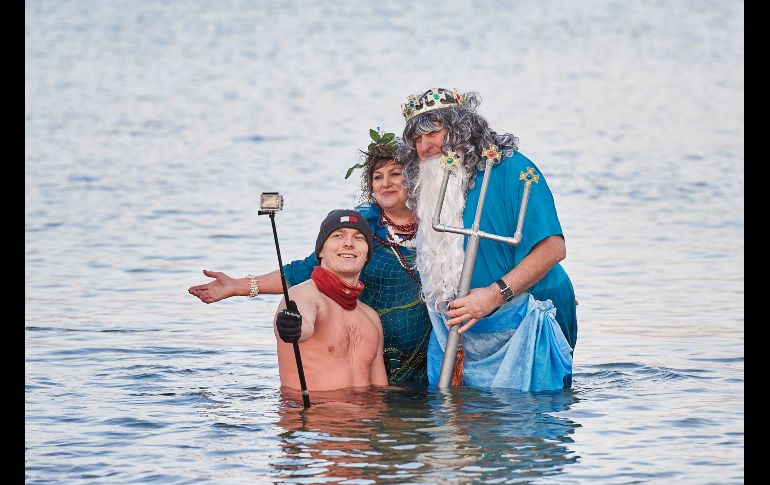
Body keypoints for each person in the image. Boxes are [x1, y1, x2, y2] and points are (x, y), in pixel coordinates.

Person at [188, 130, 432, 386]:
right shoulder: (361, 228)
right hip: (357, 350)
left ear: (414, 178)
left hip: (421, 361)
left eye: (395, 174)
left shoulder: (438, 224)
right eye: (378, 177)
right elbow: (303, 279)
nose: (386, 183)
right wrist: (240, 287)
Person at [398, 88, 576, 391]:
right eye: (416, 140)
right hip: (460, 327)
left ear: (460, 128)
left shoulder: (511, 169)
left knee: (530, 423)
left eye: (434, 134)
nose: (425, 147)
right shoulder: (426, 184)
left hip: (526, 316)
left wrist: (494, 295)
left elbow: (553, 248)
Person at [272, 209, 388, 390]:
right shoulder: (303, 295)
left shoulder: (371, 317)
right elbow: (303, 322)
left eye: (359, 238)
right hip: (314, 417)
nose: (349, 243)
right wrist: (292, 326)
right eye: (338, 236)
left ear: (367, 255)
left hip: (364, 417)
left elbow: (380, 390)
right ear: (320, 252)